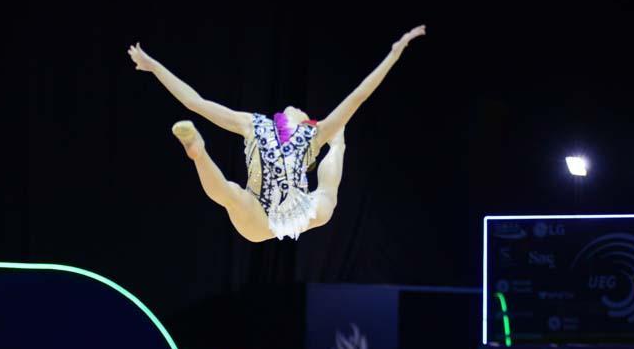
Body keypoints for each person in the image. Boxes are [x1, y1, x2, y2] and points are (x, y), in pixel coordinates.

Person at [128, 25, 425, 241]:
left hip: (296, 211)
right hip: (257, 214)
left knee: (325, 197)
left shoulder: (311, 137)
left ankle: (339, 146)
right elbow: (195, 102)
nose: (297, 107)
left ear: (306, 122)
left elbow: (359, 95)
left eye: (304, 113)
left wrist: (394, 54)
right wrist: (154, 66)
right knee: (233, 194)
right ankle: (197, 151)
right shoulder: (253, 124)